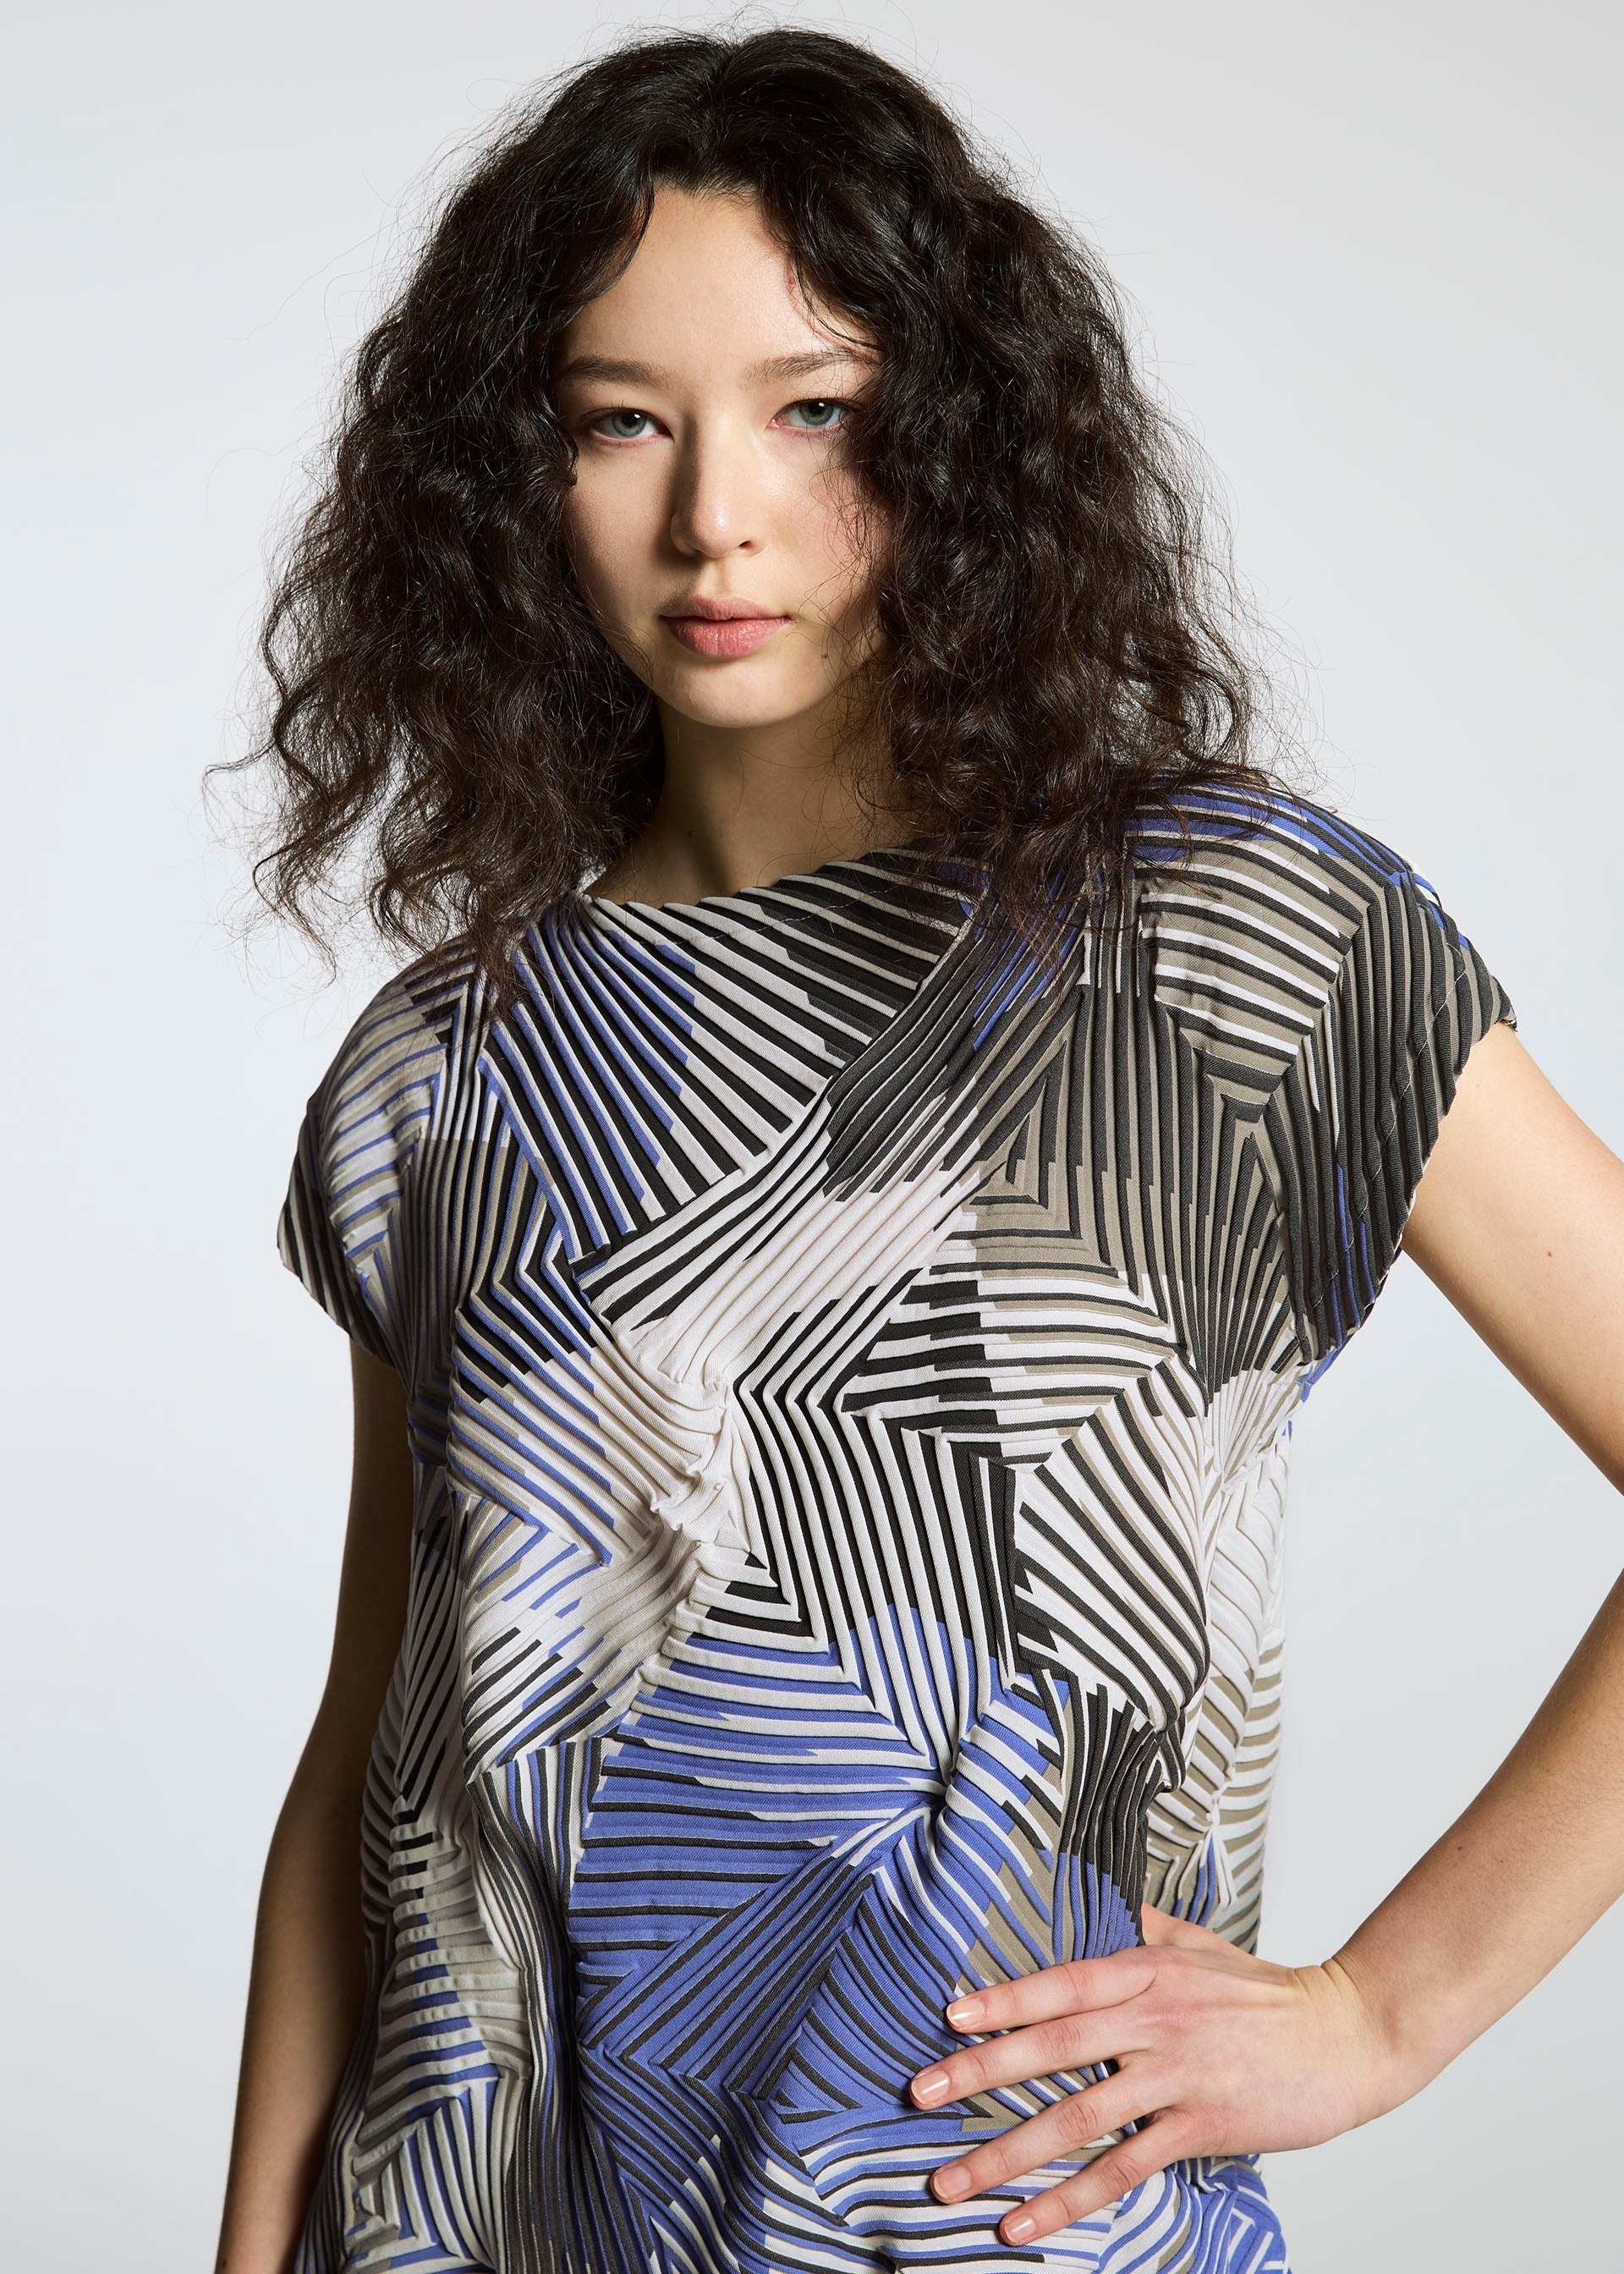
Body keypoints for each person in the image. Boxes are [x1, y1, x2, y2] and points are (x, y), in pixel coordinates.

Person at [212, 27, 1624, 2274]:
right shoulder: (440, 1071)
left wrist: (1384, 2013)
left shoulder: (1234, 941)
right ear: (505, 474)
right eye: (617, 419)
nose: (715, 515)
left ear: (957, 438)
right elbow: (380, 1751)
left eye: (815, 409)